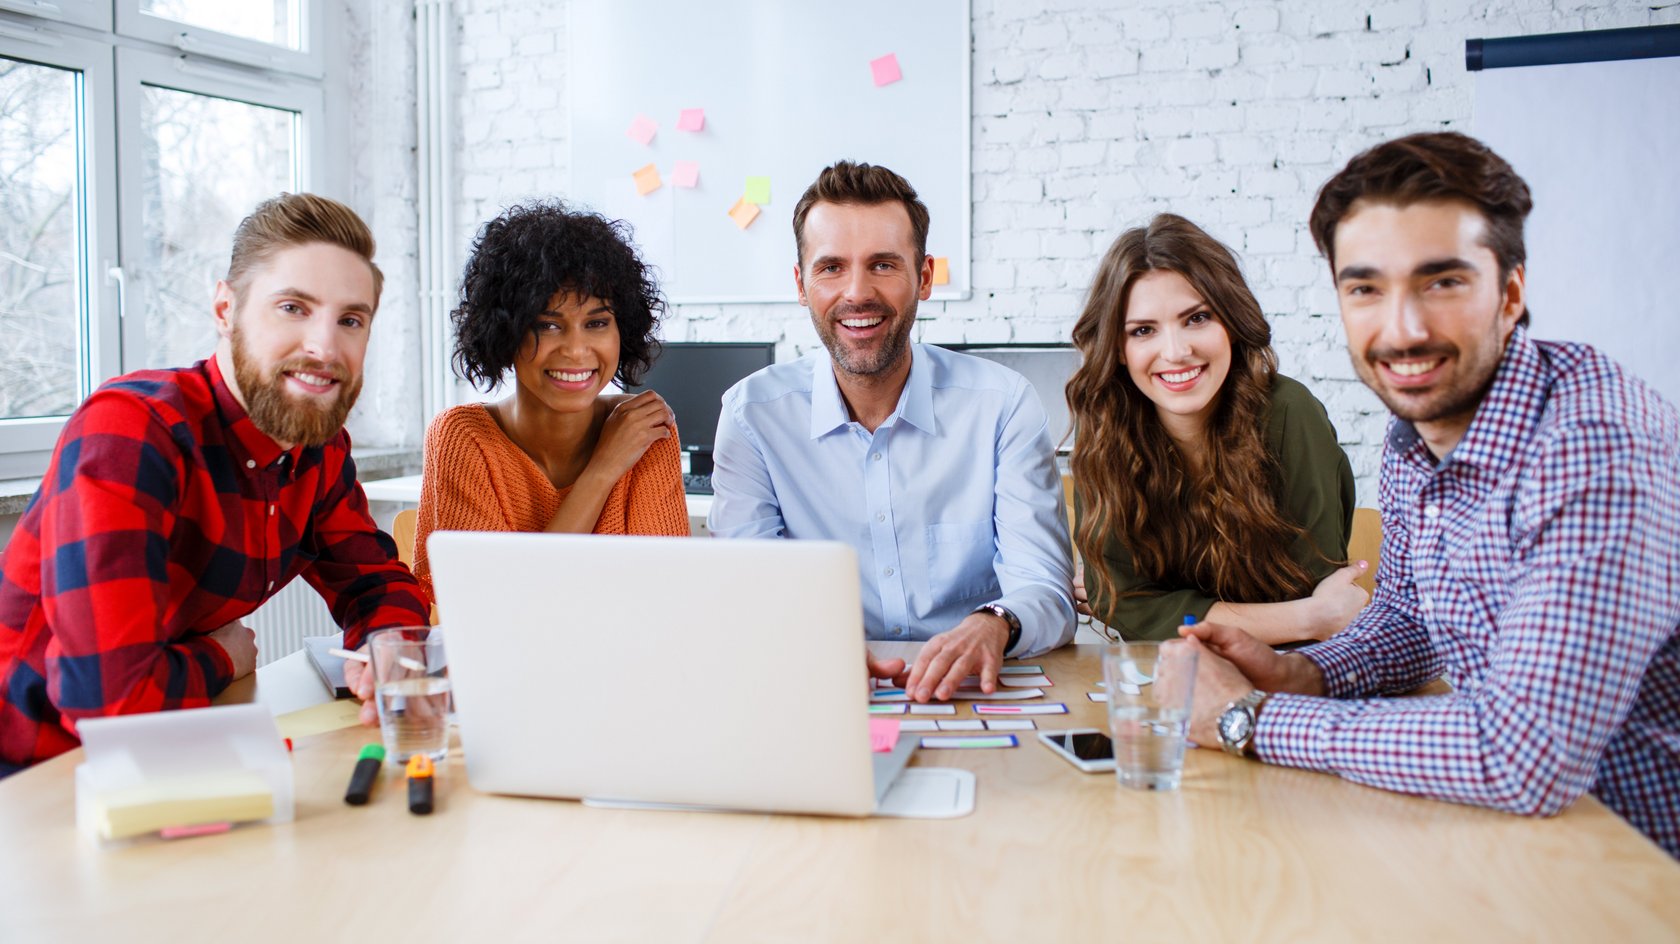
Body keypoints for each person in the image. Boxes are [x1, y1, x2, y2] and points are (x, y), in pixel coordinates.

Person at [1181, 131, 1680, 858]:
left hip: (1637, 863)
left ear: (1510, 293)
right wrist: (1302, 672)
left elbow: (1525, 755)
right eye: (1366, 289)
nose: (1403, 328)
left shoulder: (1594, 446)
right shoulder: (1417, 434)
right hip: (1516, 843)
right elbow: (1411, 617)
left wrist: (1249, 719)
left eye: (1442, 282)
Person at [0, 193, 431, 775]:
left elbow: (377, 583)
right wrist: (221, 656)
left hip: (171, 750)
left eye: (350, 320)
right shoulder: (132, 434)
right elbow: (112, 706)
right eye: (293, 308)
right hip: (36, 771)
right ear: (226, 308)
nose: (325, 348)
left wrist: (388, 653)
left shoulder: (316, 447)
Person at [708, 161, 1075, 703]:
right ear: (801, 284)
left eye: (883, 265)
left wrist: (996, 621)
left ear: (924, 277)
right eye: (831, 267)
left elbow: (1045, 589)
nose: (858, 293)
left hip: (980, 688)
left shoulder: (1001, 406)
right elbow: (749, 589)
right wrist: (812, 642)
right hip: (823, 689)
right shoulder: (752, 417)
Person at [1066, 214, 1366, 645]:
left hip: (1287, 673)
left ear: (1230, 320)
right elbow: (1122, 602)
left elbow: (1317, 588)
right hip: (1162, 677)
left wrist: (1161, 611)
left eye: (1197, 318)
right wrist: (1306, 618)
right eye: (1144, 330)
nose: (1176, 352)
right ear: (1118, 348)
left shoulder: (1288, 414)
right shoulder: (1106, 428)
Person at [411, 201, 689, 604]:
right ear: (505, 333)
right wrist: (602, 470)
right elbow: (494, 611)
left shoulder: (644, 430)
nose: (577, 351)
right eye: (548, 325)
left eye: (596, 323)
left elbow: (664, 598)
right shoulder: (463, 437)